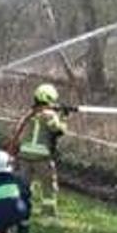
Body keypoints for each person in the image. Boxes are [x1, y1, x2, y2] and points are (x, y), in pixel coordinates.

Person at [14, 83, 77, 218]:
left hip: (24, 155)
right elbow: (58, 130)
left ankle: (20, 208)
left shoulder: (31, 113)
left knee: (23, 184)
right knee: (48, 185)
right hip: (41, 157)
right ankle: (48, 212)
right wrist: (64, 117)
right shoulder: (49, 115)